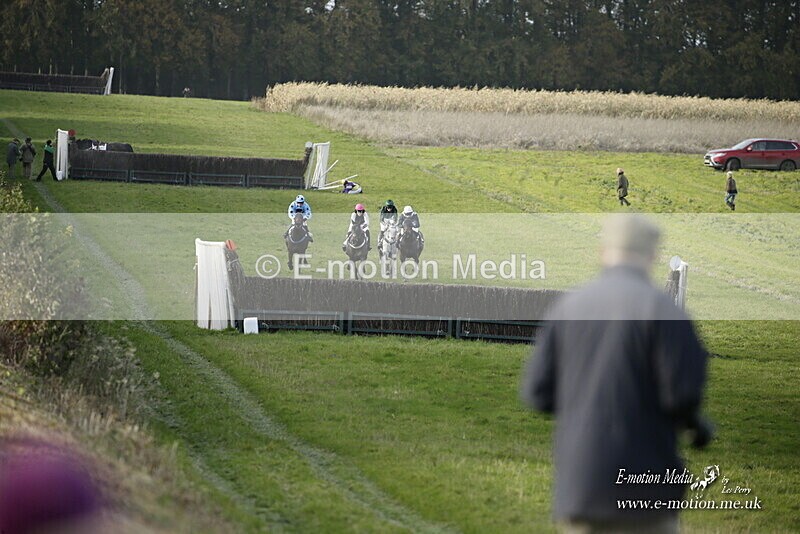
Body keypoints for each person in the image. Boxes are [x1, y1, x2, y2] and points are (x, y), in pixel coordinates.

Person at [521, 214, 713, 534]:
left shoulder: (568, 307)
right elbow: (682, 395)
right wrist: (697, 426)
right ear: (652, 255)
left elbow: (537, 394)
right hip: (644, 488)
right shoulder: (665, 311)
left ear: (602, 252)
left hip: (581, 484)